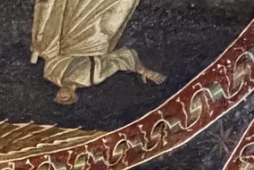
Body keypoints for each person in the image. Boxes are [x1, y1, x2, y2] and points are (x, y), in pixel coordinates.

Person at [30, 0, 164, 104]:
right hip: (95, 39)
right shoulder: (92, 77)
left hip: (71, 34)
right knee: (115, 12)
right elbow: (117, 60)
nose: (61, 95)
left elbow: (51, 54)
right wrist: (143, 71)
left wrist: (41, 47)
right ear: (73, 95)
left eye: (59, 96)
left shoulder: (51, 75)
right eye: (64, 98)